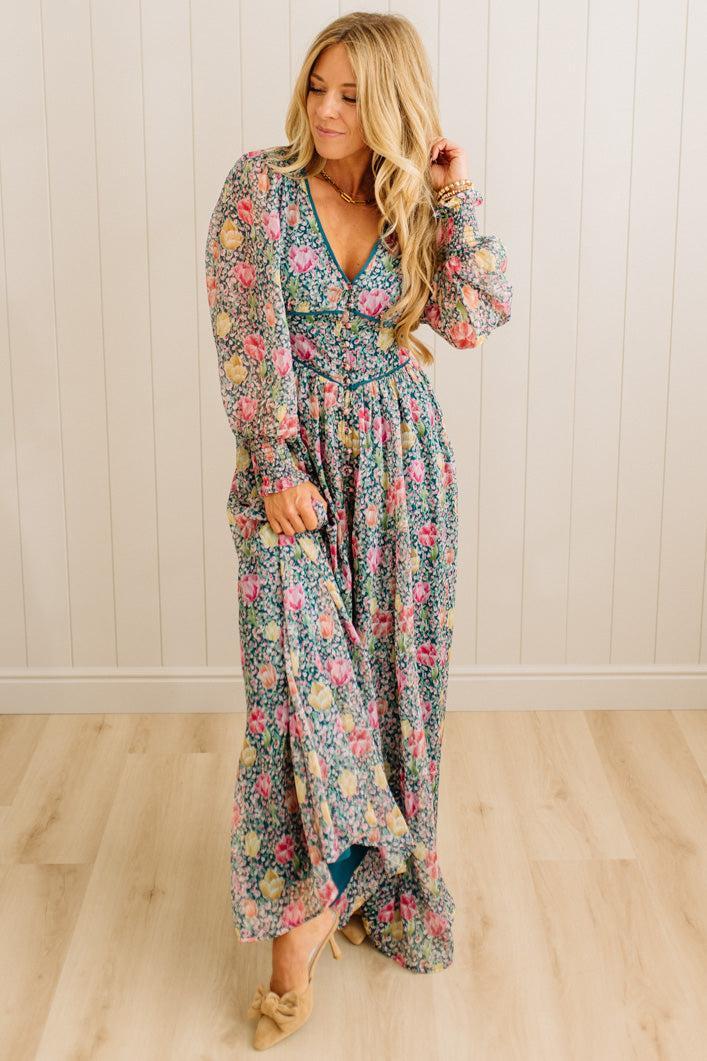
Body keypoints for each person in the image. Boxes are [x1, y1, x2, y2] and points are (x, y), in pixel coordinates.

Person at [204, 11, 512, 1049]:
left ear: (387, 102)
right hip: (291, 478)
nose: (326, 111)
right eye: (317, 87)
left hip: (401, 469)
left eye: (349, 94)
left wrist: (454, 192)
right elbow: (245, 335)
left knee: (389, 694)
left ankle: (366, 891)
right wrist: (277, 461)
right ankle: (296, 926)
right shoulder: (259, 188)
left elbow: (472, 315)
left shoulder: (412, 201)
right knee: (302, 697)